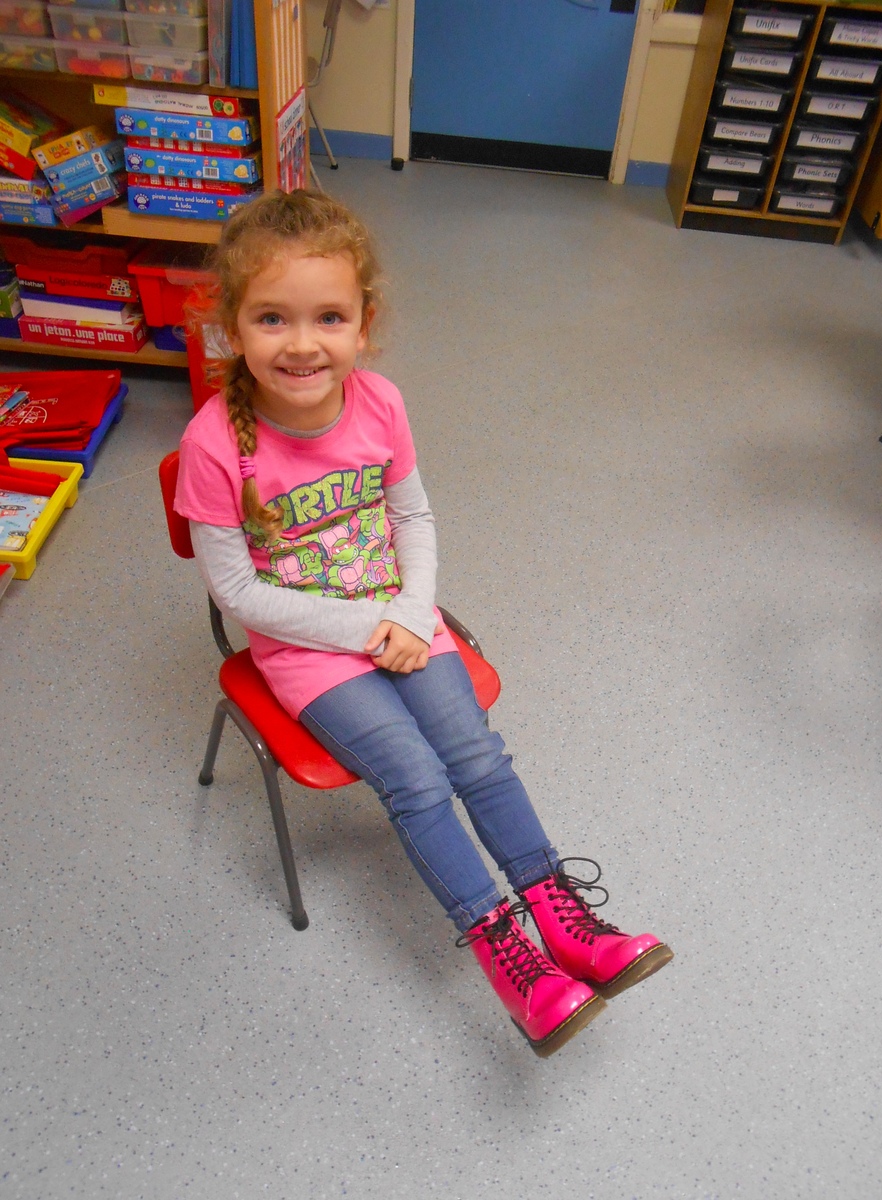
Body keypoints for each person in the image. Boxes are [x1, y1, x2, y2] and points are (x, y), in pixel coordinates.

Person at [174, 189, 673, 1057]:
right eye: (271, 319)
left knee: (477, 753)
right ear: (232, 328)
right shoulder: (219, 443)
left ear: (364, 323)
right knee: (412, 774)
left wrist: (412, 613)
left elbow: (414, 520)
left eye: (328, 317)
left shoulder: (380, 405)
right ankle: (510, 961)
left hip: (403, 623)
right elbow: (239, 599)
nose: (301, 343)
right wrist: (373, 631)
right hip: (308, 652)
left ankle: (563, 923)